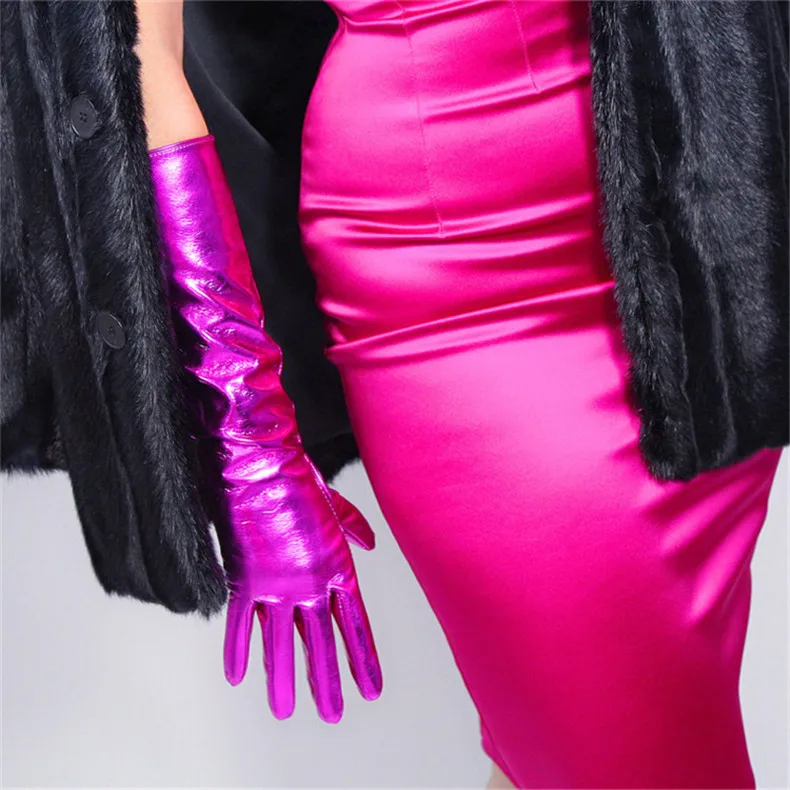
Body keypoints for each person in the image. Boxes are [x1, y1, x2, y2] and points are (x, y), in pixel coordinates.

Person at [1, 1, 787, 788]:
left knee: (582, 745)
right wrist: (246, 434)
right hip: (463, 271)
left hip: (706, 229)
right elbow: (137, 55)